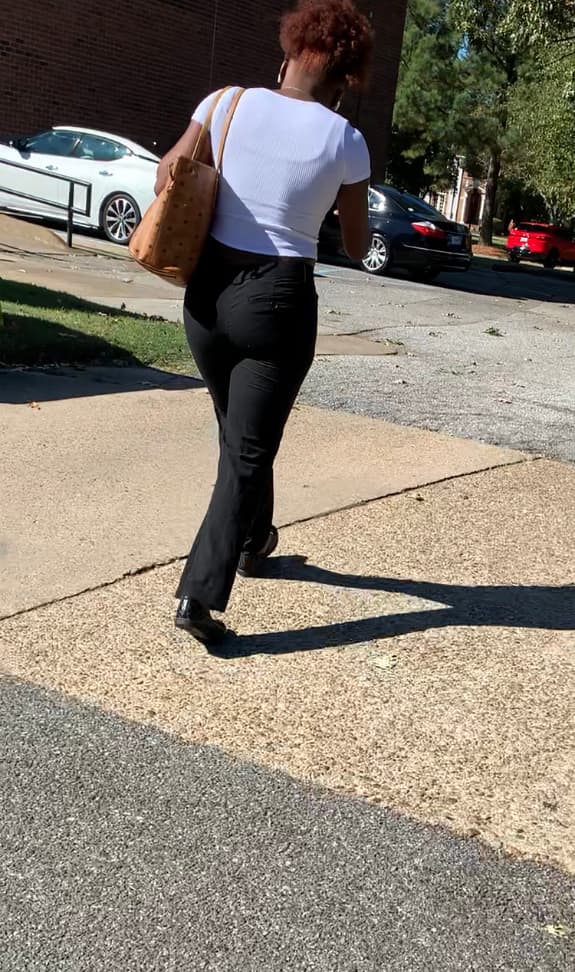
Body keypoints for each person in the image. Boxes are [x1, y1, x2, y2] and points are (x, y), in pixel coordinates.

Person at [155, 0, 373, 645]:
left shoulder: (224, 102)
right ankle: (199, 594)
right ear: (345, 80)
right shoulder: (345, 140)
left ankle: (255, 540)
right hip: (277, 300)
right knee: (247, 449)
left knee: (241, 432)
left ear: (288, 54)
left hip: (206, 293)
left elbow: (169, 175)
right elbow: (357, 243)